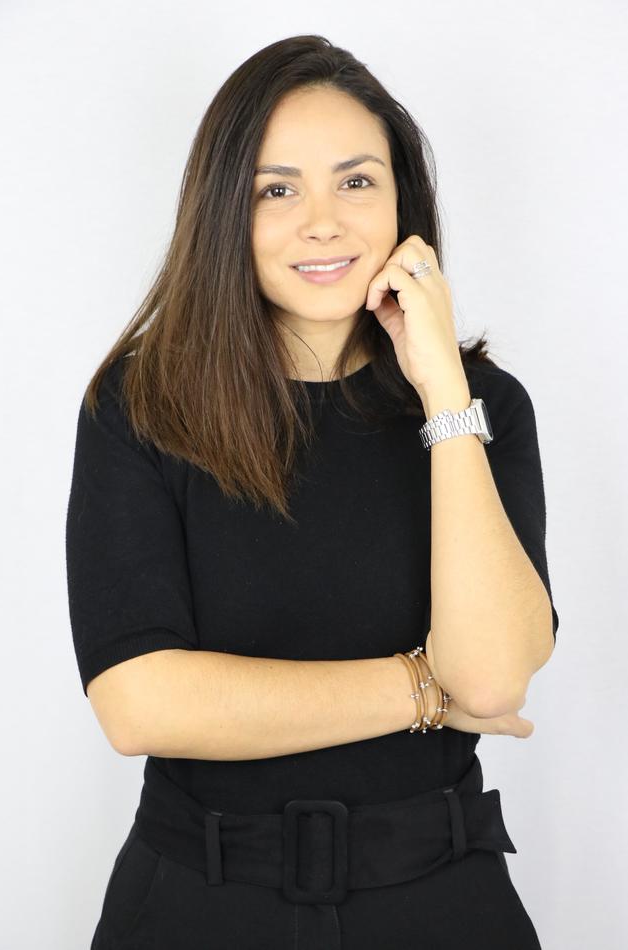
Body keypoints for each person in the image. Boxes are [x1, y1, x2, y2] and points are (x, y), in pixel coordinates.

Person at [66, 35, 559, 950]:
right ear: (225, 211)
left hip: (441, 900)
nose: (322, 223)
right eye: (277, 190)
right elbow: (140, 705)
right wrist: (421, 688)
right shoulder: (142, 406)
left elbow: (492, 678)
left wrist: (442, 393)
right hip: (198, 901)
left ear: (404, 202)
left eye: (356, 181)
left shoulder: (485, 406)